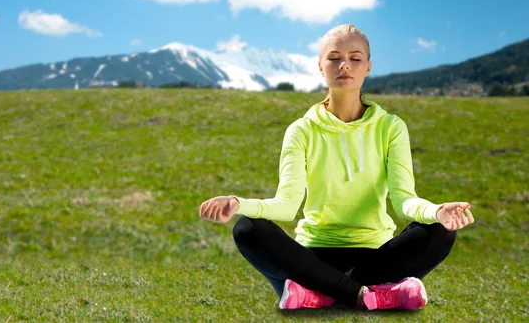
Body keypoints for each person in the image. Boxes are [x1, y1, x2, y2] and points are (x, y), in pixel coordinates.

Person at [198, 24, 475, 311]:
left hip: (376, 256)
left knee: (440, 231)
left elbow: (404, 200)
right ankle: (369, 294)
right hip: (312, 258)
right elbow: (286, 205)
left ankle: (320, 295)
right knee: (246, 228)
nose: (344, 65)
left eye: (355, 58)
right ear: (320, 66)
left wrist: (437, 211)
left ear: (368, 67)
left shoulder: (391, 127)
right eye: (334, 58)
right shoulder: (301, 130)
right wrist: (237, 203)